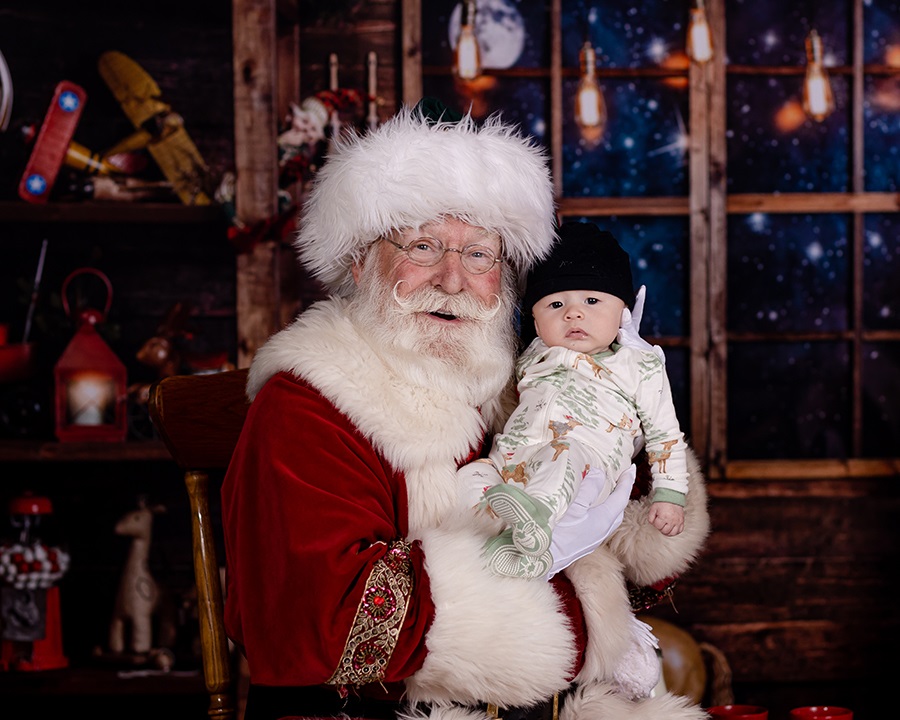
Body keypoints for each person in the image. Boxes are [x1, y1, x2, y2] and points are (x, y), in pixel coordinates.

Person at [220, 98, 710, 720]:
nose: (452, 280)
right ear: (359, 259)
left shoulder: (522, 381)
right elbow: (329, 623)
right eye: (423, 246)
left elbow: (638, 553)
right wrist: (579, 604)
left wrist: (624, 423)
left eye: (479, 254)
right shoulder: (306, 404)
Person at [459, 221, 689, 580]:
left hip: (585, 466)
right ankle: (500, 545)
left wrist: (670, 494)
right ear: (535, 320)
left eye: (593, 301)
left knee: (564, 454)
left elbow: (665, 436)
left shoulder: (638, 366)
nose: (573, 313)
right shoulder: (530, 356)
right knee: (470, 476)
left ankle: (536, 523)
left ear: (623, 313)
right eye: (555, 303)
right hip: (514, 461)